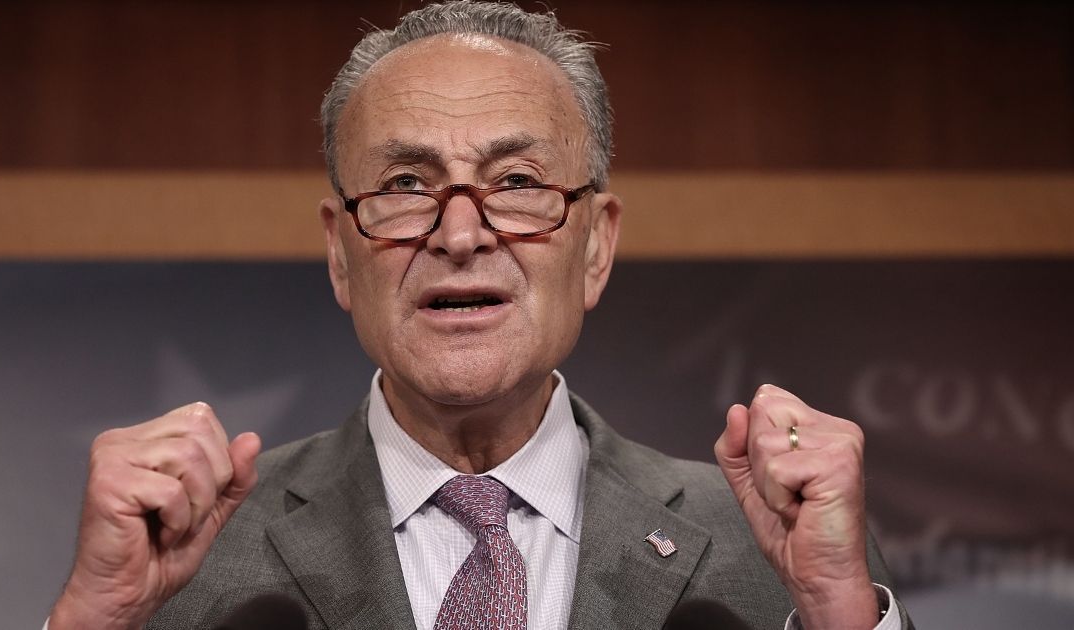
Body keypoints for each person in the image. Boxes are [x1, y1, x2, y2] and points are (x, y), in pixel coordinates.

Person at [47, 2, 912, 629]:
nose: (460, 234)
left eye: (519, 184)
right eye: (404, 186)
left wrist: (840, 615)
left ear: (598, 247)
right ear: (339, 252)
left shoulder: (771, 560)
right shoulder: (184, 561)